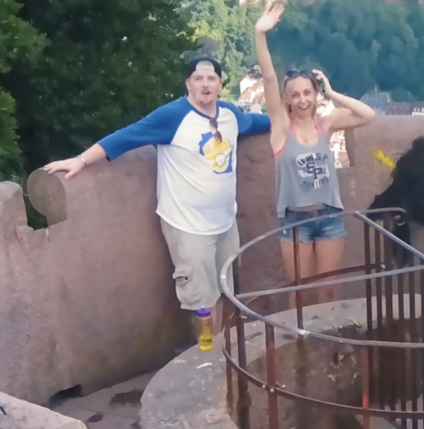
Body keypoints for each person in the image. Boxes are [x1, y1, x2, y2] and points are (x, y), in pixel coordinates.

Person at [42, 56, 270, 328]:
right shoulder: (172, 117)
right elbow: (126, 136)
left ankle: (222, 351)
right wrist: (80, 160)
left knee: (224, 289)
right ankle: (207, 358)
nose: (205, 84)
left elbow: (263, 123)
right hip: (188, 226)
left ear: (220, 84)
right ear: (188, 84)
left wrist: (298, 116)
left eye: (211, 79)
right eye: (198, 79)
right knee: (200, 302)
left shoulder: (232, 115)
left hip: (224, 223)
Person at [251, 0, 376, 303]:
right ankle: (302, 346)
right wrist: (260, 34)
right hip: (295, 220)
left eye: (308, 92)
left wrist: (331, 92)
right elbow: (268, 77)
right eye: (295, 95)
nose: (303, 99)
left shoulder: (327, 125)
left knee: (329, 290)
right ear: (288, 100)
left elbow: (367, 115)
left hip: (330, 215)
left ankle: (328, 346)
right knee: (300, 292)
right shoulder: (281, 128)